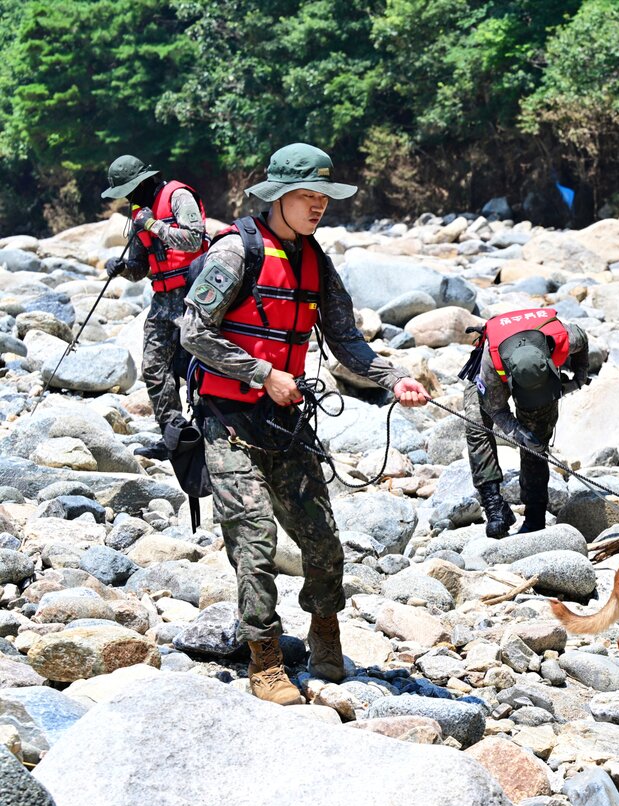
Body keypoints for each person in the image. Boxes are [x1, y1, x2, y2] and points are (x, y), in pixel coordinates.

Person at [180, 143, 430, 705]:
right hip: (228, 419)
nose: (319, 207)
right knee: (255, 540)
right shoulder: (233, 255)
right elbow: (193, 332)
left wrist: (393, 380)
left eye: (325, 198)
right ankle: (264, 658)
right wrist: (262, 372)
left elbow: (344, 339)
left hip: (286, 421)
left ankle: (324, 634)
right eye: (307, 197)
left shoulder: (316, 260)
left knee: (322, 542)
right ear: (277, 198)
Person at [101, 156, 209, 454]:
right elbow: (138, 268)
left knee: (200, 371)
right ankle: (173, 434)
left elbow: (192, 238)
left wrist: (152, 223)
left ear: (146, 181)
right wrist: (121, 266)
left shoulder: (178, 196)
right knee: (154, 368)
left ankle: (208, 432)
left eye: (132, 190)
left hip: (195, 297)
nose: (129, 198)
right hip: (162, 301)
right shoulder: (139, 214)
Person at [465, 307, 591, 538]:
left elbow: (583, 338)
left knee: (537, 443)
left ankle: (535, 516)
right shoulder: (491, 367)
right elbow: (496, 410)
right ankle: (495, 508)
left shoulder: (563, 337)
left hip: (540, 372)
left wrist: (581, 373)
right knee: (477, 426)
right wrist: (518, 433)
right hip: (495, 367)